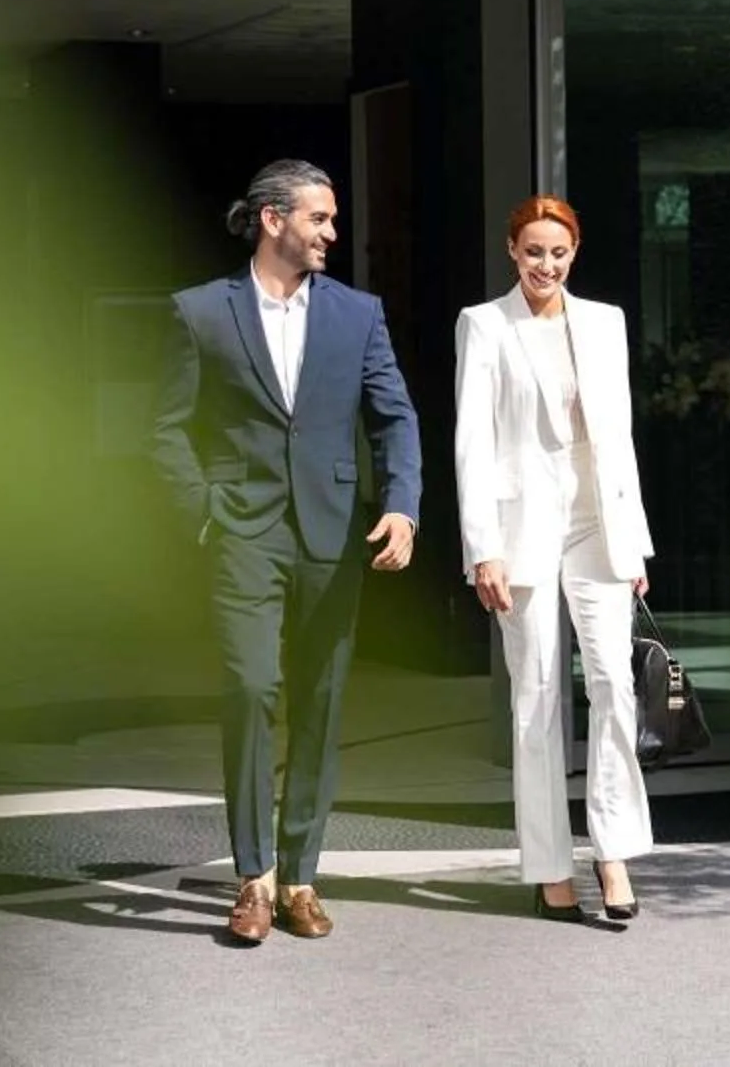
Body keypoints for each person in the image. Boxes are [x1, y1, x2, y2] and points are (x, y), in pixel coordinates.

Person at [154, 159, 422, 946]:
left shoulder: (358, 313)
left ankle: (300, 876)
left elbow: (394, 417)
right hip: (241, 528)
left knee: (322, 698)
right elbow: (165, 427)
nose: (332, 234)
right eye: (320, 220)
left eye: (333, 221)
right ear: (273, 220)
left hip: (336, 534)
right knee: (248, 685)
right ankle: (253, 876)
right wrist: (202, 511)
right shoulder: (200, 312)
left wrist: (402, 506)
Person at [456, 194, 656, 923]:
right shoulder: (483, 325)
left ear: (574, 253)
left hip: (597, 525)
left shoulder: (605, 323)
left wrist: (634, 540)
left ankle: (612, 851)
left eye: (558, 252)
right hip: (522, 533)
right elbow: (471, 442)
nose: (546, 264)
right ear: (513, 251)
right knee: (536, 698)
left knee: (615, 687)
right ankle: (548, 865)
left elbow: (622, 438)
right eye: (534, 251)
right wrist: (484, 550)